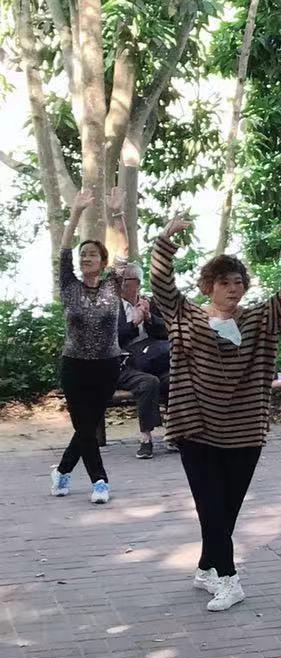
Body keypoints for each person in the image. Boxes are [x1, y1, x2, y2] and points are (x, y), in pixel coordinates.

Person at [151, 211, 281, 612]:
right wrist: (166, 240)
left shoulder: (261, 321)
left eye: (239, 282)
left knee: (225, 511)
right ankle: (230, 580)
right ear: (208, 286)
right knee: (210, 508)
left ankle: (206, 568)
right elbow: (162, 285)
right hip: (194, 427)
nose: (233, 289)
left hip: (244, 430)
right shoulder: (185, 317)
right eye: (224, 282)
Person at [50, 188, 127, 504]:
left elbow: (124, 249)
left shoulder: (113, 285)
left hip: (107, 365)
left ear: (103, 261)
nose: (85, 258)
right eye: (83, 255)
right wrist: (76, 213)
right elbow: (64, 249)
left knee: (88, 425)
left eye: (92, 254)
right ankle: (100, 481)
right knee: (84, 426)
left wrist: (117, 212)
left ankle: (62, 471)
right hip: (75, 365)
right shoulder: (69, 285)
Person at [116, 261, 173, 459]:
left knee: (176, 378)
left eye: (124, 280)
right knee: (149, 382)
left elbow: (168, 332)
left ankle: (174, 433)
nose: (119, 284)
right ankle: (146, 438)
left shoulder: (150, 303)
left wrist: (149, 317)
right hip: (123, 367)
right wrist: (134, 323)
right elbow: (111, 339)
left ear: (137, 283)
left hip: (152, 362)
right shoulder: (110, 307)